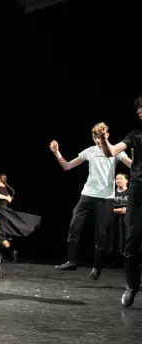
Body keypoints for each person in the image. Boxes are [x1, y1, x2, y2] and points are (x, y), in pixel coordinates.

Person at [50, 122, 131, 280]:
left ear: (107, 135)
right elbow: (67, 166)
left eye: (101, 136)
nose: (98, 140)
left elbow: (131, 164)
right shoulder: (89, 151)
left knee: (101, 234)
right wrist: (56, 152)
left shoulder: (116, 151)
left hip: (106, 198)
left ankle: (97, 268)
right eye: (95, 137)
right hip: (87, 195)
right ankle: (71, 261)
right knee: (74, 226)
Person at [98, 97, 142, 306]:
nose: (139, 111)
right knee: (132, 239)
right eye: (138, 109)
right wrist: (103, 139)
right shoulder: (135, 135)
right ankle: (132, 285)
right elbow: (111, 152)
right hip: (138, 191)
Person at [0, 173, 40, 264]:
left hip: (1, 214)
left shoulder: (0, 189)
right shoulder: (4, 189)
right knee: (0, 237)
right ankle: (11, 252)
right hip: (1, 214)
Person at [108, 173, 128, 269]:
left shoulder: (130, 193)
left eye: (121, 178)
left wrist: (127, 210)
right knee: (115, 240)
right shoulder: (112, 194)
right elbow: (107, 209)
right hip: (115, 221)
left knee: (127, 238)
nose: (118, 180)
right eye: (117, 178)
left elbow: (134, 207)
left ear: (126, 181)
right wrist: (119, 210)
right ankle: (115, 260)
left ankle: (127, 261)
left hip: (127, 221)